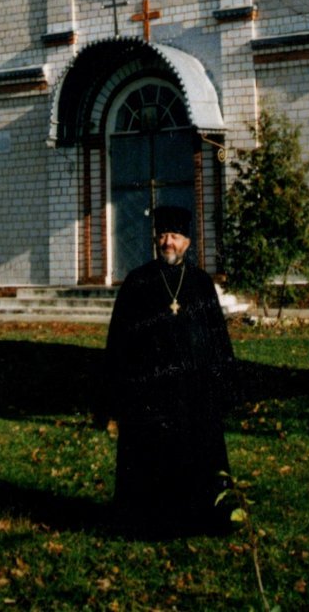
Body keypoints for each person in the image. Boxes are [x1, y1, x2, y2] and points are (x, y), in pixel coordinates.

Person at [96, 204, 238, 536]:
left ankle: (198, 519)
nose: (167, 242)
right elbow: (118, 341)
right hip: (150, 393)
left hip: (193, 394)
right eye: (162, 235)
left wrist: (224, 387)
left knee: (195, 454)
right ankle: (147, 522)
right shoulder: (137, 282)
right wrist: (114, 393)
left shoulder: (201, 284)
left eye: (174, 235)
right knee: (150, 459)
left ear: (187, 241)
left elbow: (217, 339)